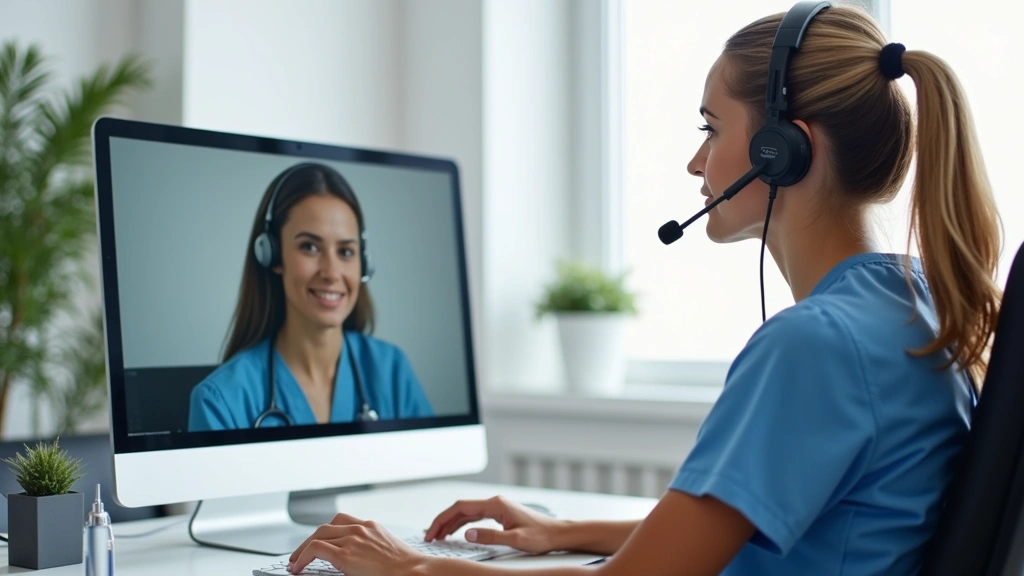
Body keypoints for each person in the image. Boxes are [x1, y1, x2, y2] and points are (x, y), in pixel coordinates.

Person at [284, 2, 1003, 575]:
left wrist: (410, 567)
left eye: (711, 128)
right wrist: (559, 531)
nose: (696, 162)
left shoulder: (815, 346)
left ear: (781, 152)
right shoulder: (911, 307)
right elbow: (743, 528)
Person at [188, 163, 434, 431]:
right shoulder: (222, 401)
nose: (331, 272)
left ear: (363, 263)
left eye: (346, 251)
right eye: (310, 247)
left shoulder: (392, 372)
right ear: (272, 254)